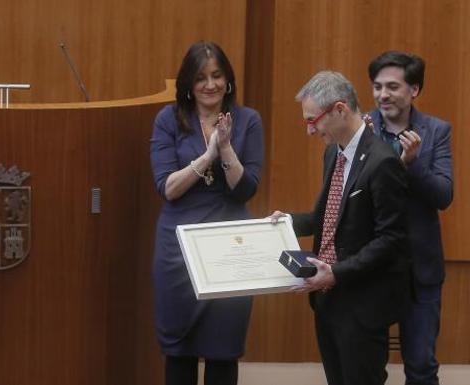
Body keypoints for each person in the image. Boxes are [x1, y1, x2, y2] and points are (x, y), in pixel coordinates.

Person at [270, 71, 411, 385]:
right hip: (326, 299)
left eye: (313, 120)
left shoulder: (382, 162)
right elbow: (327, 217)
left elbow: (391, 240)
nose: (310, 130)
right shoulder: (333, 152)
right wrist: (287, 222)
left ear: (340, 110)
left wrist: (336, 272)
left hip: (361, 303)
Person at [149, 41, 264, 385]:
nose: (210, 84)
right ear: (188, 83)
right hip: (179, 247)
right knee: (178, 349)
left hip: (230, 246)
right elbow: (167, 188)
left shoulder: (247, 120)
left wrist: (225, 147)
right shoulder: (168, 119)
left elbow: (246, 189)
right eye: (201, 77)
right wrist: (206, 156)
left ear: (228, 79)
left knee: (223, 348)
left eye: (217, 75)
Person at [367, 51, 453, 385]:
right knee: (367, 367)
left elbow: (444, 195)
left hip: (421, 268)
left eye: (392, 86)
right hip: (370, 266)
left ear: (413, 90)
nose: (382, 95)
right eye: (377, 87)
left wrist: (413, 164)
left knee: (420, 365)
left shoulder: (436, 131)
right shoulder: (363, 129)